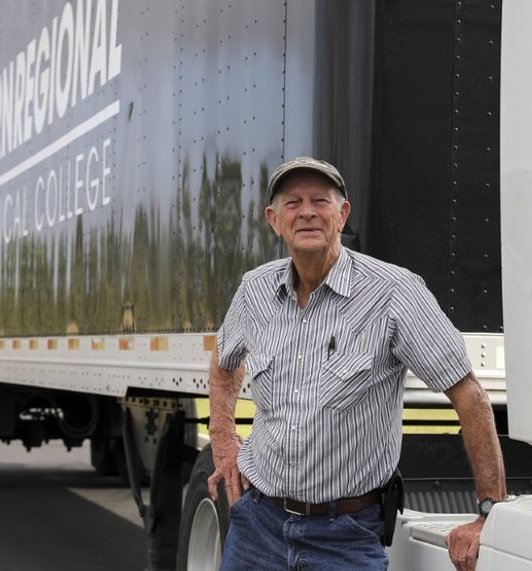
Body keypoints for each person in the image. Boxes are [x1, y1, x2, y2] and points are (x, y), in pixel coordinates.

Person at [208, 156, 506, 571]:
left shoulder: (393, 293)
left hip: (345, 536)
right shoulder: (254, 290)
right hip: (257, 527)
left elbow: (469, 395)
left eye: (321, 201)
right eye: (293, 203)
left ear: (342, 214)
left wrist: (489, 511)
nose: (308, 211)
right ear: (274, 220)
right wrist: (223, 436)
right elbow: (225, 362)